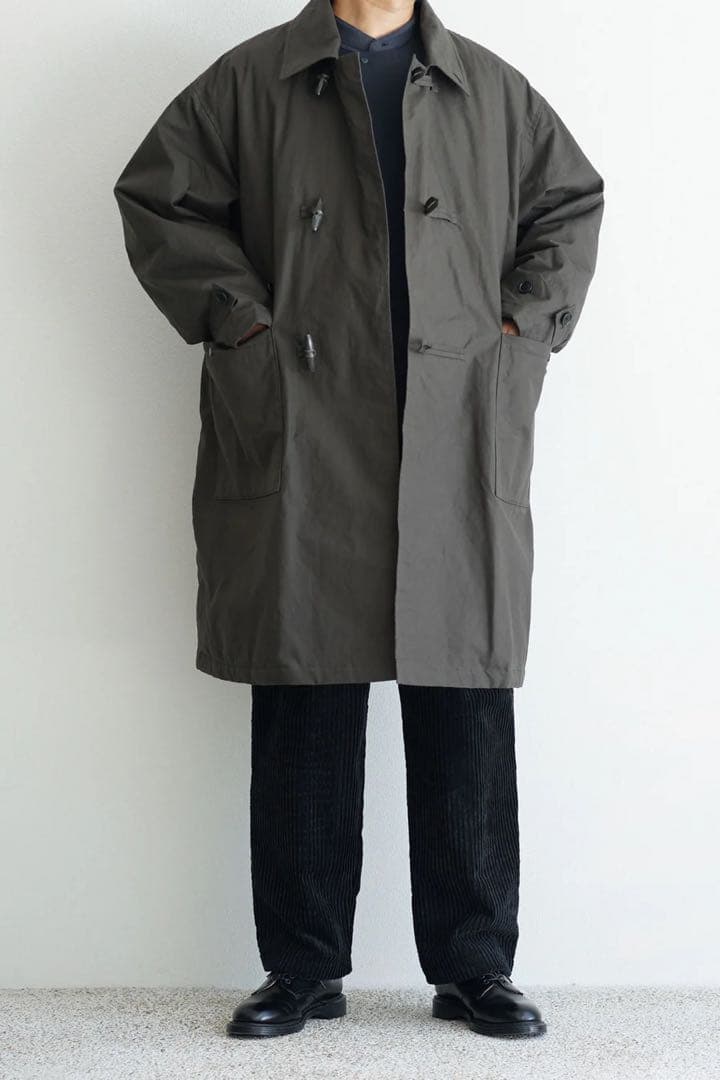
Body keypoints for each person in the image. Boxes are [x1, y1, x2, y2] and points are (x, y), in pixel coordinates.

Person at [113, 0, 604, 1041]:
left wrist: (519, 329)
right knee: (307, 687)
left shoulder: (492, 92)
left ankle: (476, 966)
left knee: (465, 691)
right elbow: (158, 197)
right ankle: (301, 969)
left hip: (452, 420)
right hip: (308, 416)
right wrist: (240, 322)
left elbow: (569, 204)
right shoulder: (251, 83)